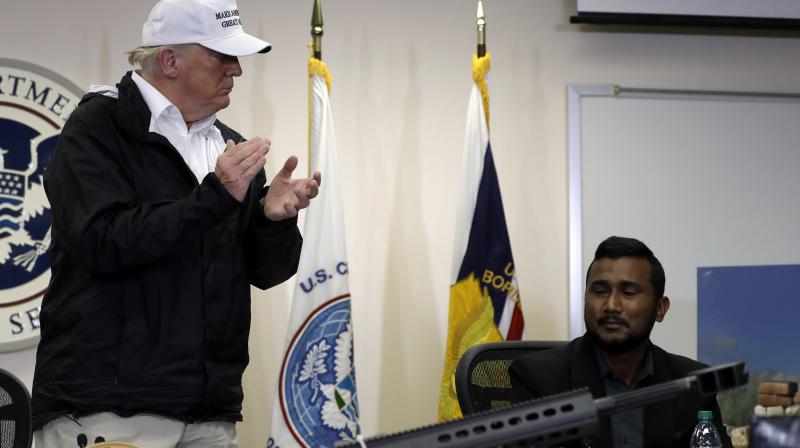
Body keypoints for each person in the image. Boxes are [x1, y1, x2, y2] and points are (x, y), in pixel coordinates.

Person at [30, 0, 321, 446]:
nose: (237, 70)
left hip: (209, 412)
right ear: (169, 61)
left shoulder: (231, 149)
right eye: (223, 56)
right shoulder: (98, 127)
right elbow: (102, 241)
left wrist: (270, 220)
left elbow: (265, 273)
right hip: (108, 408)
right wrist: (214, 197)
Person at [509, 236, 733, 448]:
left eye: (628, 292)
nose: (611, 305)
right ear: (586, 299)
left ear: (660, 308)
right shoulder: (538, 379)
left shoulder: (693, 384)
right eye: (599, 291)